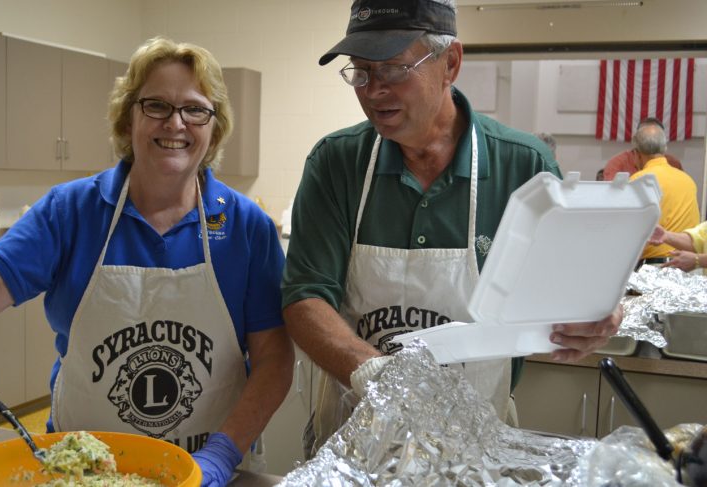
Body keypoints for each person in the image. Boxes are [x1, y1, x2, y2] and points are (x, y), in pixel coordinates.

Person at [0, 37, 293, 487]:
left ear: (214, 128)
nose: (176, 123)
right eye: (156, 106)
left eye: (195, 109)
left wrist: (223, 455)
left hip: (206, 469)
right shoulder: (72, 211)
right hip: (81, 467)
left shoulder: (246, 227)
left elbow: (273, 357)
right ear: (128, 119)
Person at [281, 0, 622, 456]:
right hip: (354, 438)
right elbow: (305, 296)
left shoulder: (523, 166)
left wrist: (591, 316)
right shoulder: (337, 162)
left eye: (393, 70)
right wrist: (376, 375)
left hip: (474, 447)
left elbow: (565, 299)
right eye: (361, 72)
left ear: (451, 63)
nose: (374, 91)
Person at [630, 122, 700, 265]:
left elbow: (630, 233)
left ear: (637, 154)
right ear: (664, 149)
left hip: (652, 270)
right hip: (689, 266)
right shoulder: (687, 180)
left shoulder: (638, 182)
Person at [602, 117, 683, 181]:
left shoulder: (674, 164)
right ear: (637, 140)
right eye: (645, 137)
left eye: (656, 137)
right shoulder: (617, 164)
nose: (651, 141)